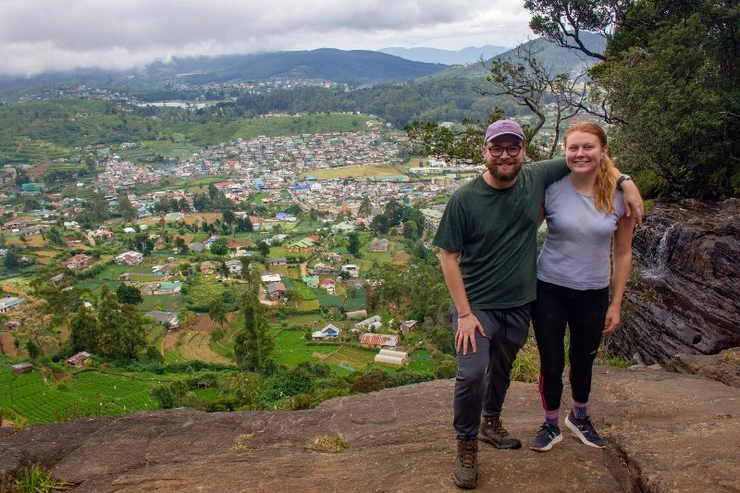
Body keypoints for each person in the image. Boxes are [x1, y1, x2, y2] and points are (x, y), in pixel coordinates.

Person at [433, 119, 643, 489]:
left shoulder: (536, 177)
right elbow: (447, 256)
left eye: (513, 147)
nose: (505, 155)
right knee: (471, 371)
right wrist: (464, 314)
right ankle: (466, 443)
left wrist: (626, 182)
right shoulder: (464, 198)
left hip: (519, 301)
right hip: (479, 302)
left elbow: (591, 158)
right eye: (496, 148)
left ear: (524, 152)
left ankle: (491, 421)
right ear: (484, 151)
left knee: (503, 365)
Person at [528, 122, 634, 453]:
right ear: (565, 153)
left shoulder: (620, 197)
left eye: (588, 147)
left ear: (603, 150)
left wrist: (615, 303)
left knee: (583, 359)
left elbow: (622, 251)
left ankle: (580, 416)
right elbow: (525, 230)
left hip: (593, 290)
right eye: (573, 148)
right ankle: (549, 423)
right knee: (551, 360)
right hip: (550, 287)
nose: (580, 154)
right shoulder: (554, 188)